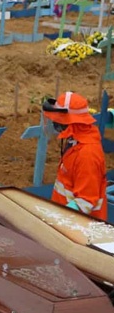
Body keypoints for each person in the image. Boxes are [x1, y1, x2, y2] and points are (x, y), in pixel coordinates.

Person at [43, 91, 108, 220]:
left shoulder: (87, 155)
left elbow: (86, 202)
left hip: (80, 227)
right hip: (67, 218)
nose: (55, 125)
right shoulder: (75, 141)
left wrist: (58, 218)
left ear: (69, 123)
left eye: (58, 121)